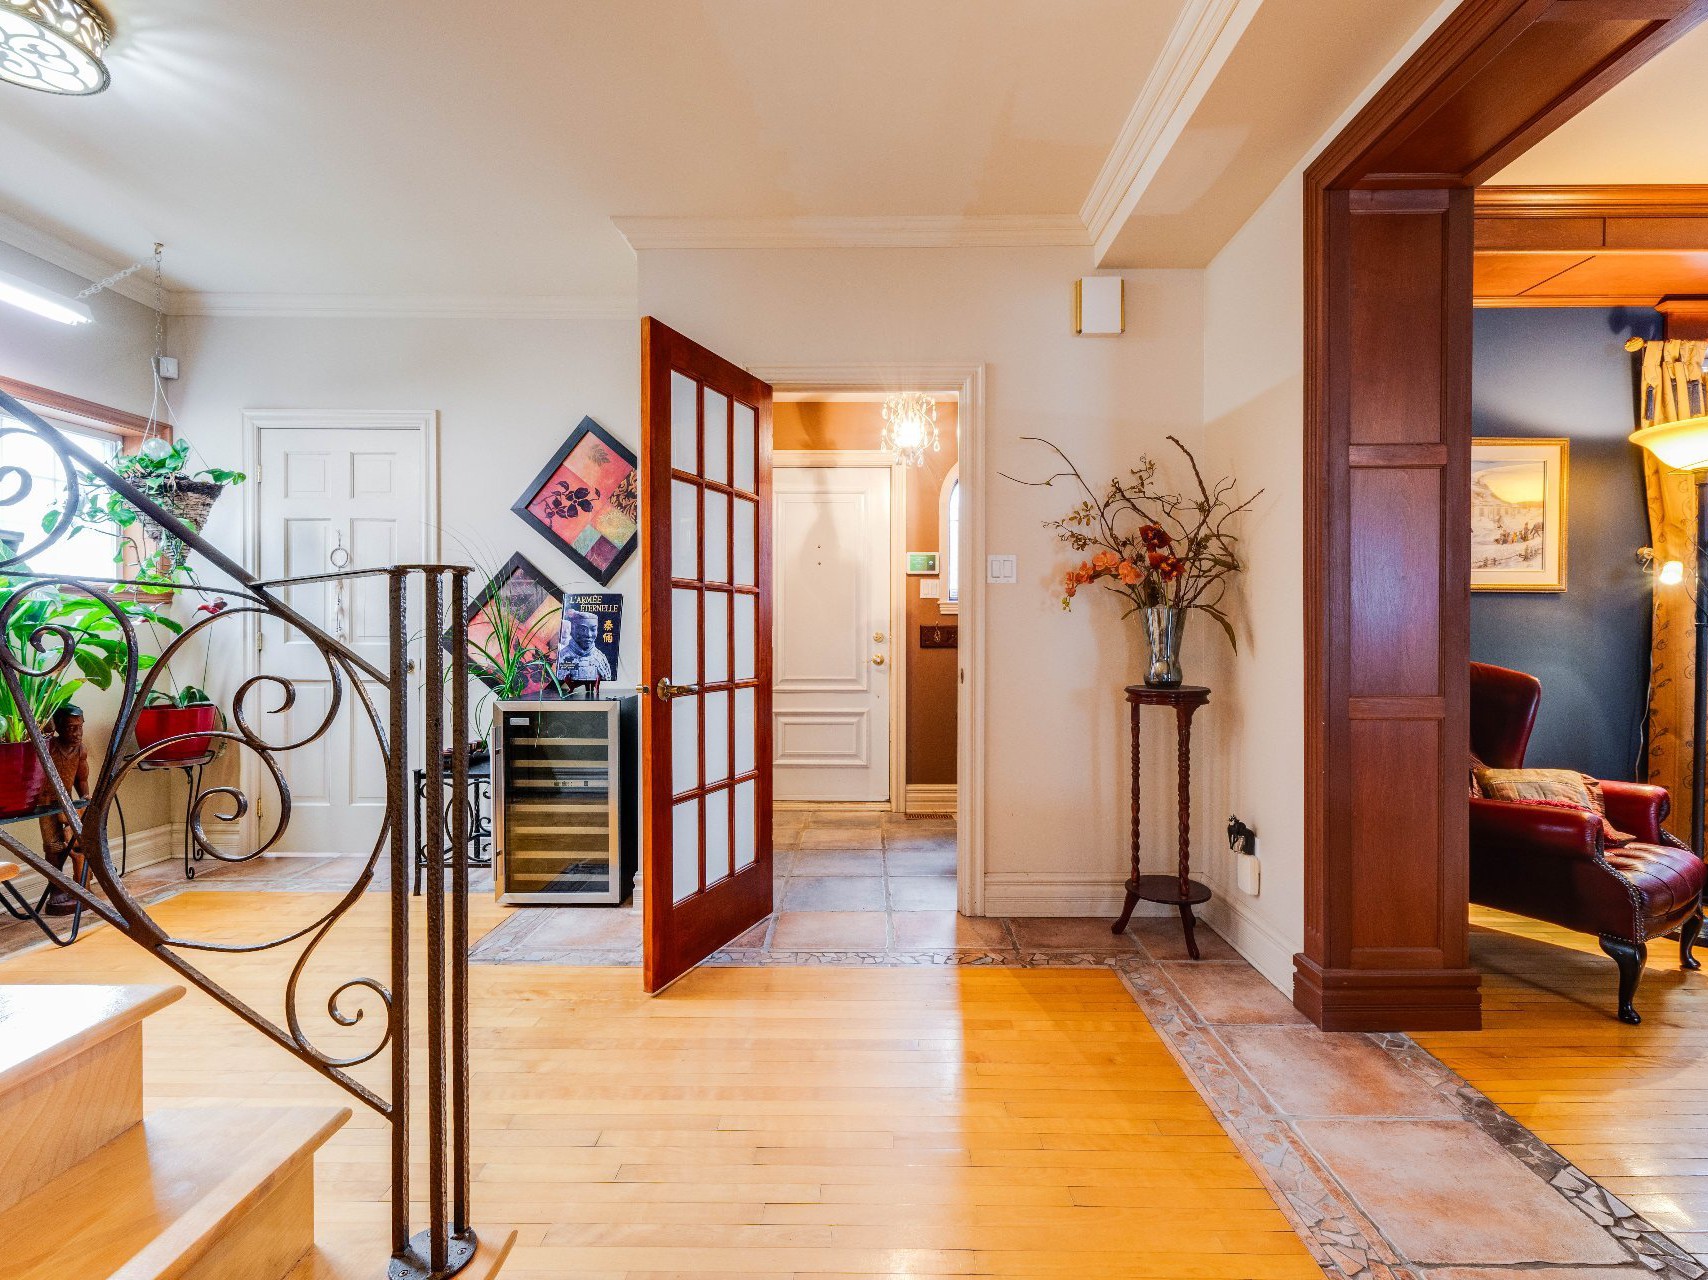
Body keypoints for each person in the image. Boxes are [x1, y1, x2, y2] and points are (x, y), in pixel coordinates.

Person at [37, 703, 91, 917]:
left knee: (76, 844)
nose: (77, 733)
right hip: (46, 802)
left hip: (66, 802)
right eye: (70, 728)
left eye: (80, 727)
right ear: (59, 727)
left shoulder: (80, 750)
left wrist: (85, 798)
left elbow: (81, 779)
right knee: (53, 847)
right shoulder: (50, 747)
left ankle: (82, 884)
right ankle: (56, 888)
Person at [555, 609, 613, 683]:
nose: (588, 635)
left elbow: (607, 681)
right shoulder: (563, 656)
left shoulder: (600, 658)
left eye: (593, 629)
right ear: (572, 629)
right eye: (583, 629)